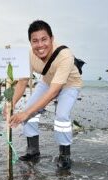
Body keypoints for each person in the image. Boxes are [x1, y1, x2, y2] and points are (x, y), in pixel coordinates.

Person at [8, 20, 83, 170]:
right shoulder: (29, 56)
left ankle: (65, 155)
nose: (40, 45)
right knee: (29, 109)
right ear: (30, 43)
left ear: (52, 39)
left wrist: (26, 113)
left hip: (69, 84)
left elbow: (54, 91)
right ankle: (33, 151)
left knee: (61, 116)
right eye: (35, 41)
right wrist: (12, 104)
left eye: (44, 39)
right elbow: (22, 82)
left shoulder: (65, 55)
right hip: (48, 82)